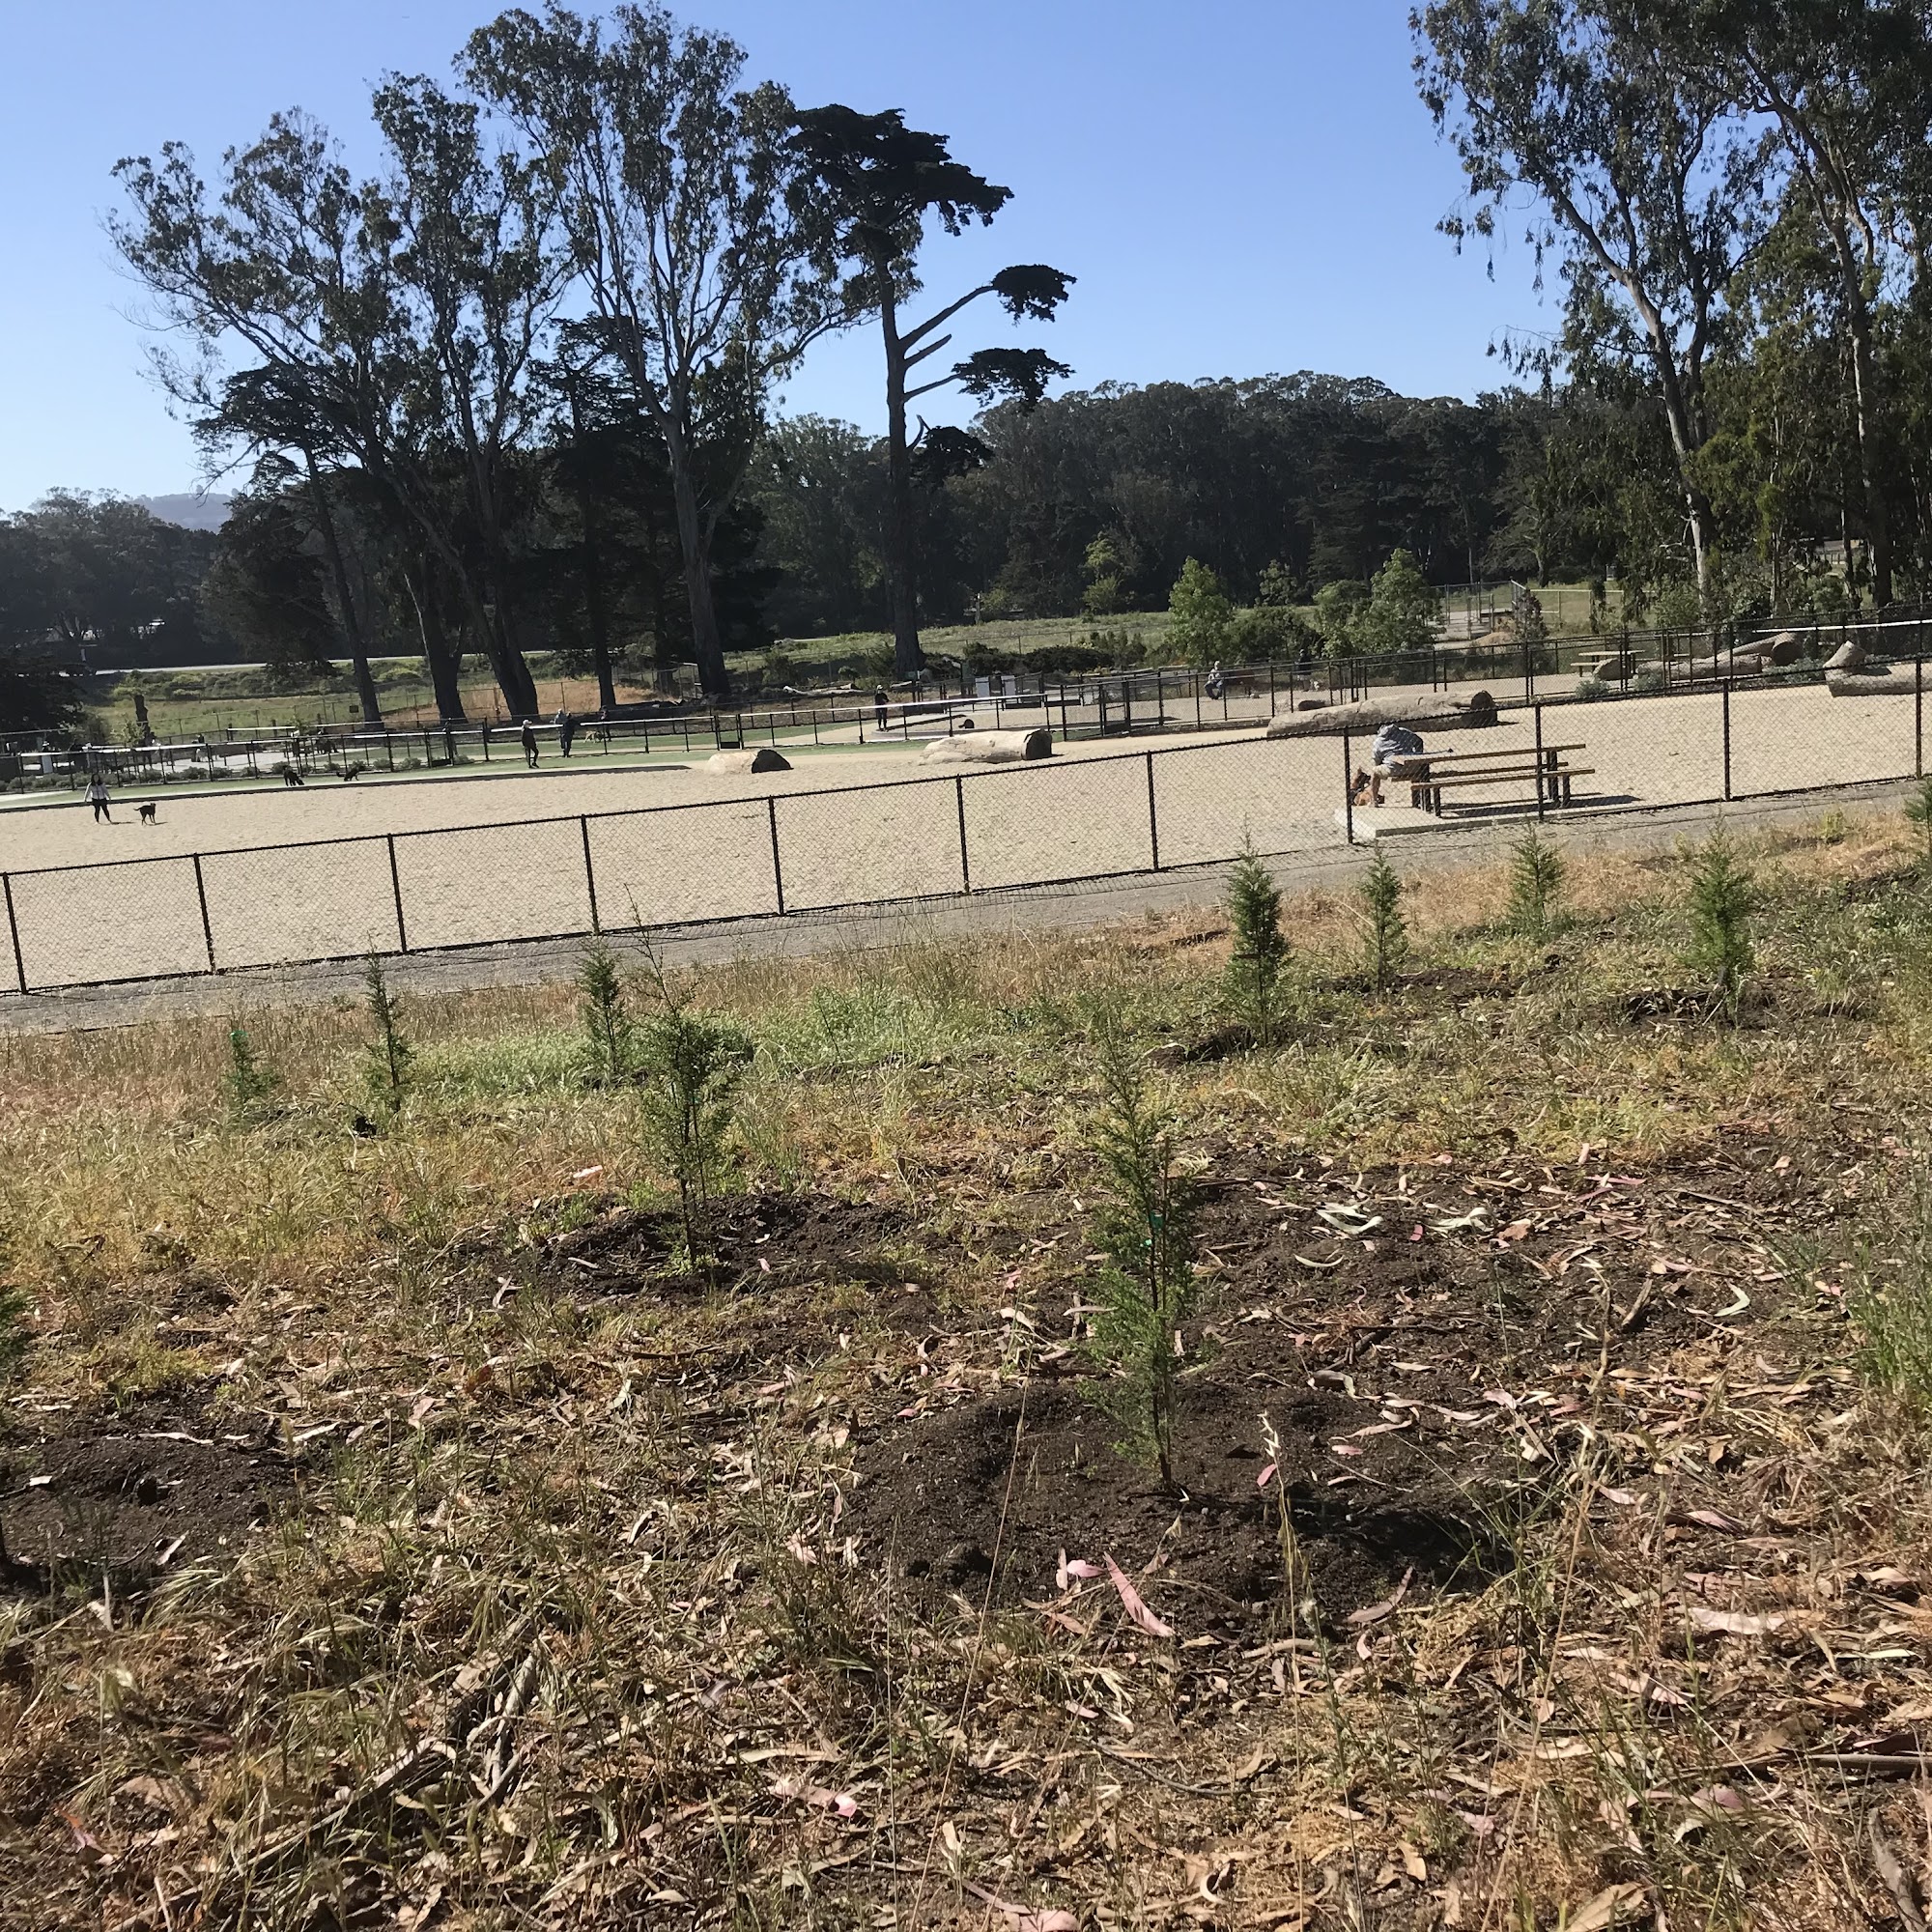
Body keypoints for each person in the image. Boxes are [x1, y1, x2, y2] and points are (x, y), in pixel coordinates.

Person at [1350, 723, 1431, 808]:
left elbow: (1376, 762)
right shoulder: (1404, 732)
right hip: (1413, 767)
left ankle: (1374, 801)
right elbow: (1419, 741)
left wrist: (1381, 763)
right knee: (1423, 768)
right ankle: (1421, 800)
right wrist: (1418, 754)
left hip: (1393, 769)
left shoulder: (1378, 741)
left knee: (1375, 772)